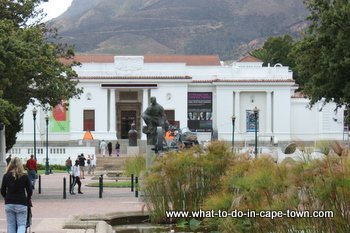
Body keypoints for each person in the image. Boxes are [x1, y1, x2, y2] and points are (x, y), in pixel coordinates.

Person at [1, 156, 33, 233]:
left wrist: (6, 197)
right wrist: (28, 198)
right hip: (21, 202)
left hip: (9, 203)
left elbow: (2, 190)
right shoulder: (24, 176)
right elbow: (30, 191)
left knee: (11, 224)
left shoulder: (6, 176)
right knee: (21, 225)